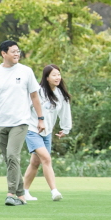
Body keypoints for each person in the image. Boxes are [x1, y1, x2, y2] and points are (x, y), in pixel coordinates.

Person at [0, 40, 46, 206]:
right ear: (3, 53)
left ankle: (11, 193)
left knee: (13, 155)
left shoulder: (26, 71)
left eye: (18, 51)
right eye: (13, 51)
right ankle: (21, 195)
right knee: (10, 160)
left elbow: (35, 97)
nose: (17, 54)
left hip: (20, 122)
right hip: (1, 123)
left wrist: (40, 119)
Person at [22, 64, 72, 202]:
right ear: (47, 77)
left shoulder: (61, 94)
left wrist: (65, 129)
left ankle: (24, 191)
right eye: (54, 75)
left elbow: (65, 112)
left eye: (59, 74)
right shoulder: (37, 91)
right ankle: (54, 191)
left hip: (47, 132)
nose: (57, 77)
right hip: (32, 130)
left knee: (35, 163)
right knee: (46, 158)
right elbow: (25, 107)